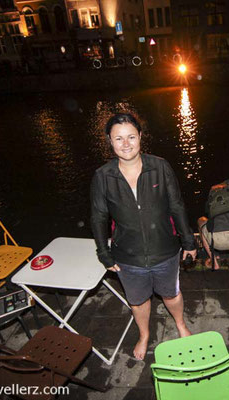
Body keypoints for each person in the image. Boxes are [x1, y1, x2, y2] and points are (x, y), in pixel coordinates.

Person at [90, 113, 197, 360]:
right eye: (118, 138)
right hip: (128, 256)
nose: (125, 144)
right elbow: (98, 218)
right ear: (110, 141)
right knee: (137, 301)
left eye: (131, 137)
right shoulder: (103, 176)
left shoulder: (160, 166)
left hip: (165, 250)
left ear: (140, 137)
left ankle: (180, 324)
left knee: (171, 293)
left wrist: (188, 241)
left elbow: (177, 205)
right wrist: (103, 253)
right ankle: (144, 334)